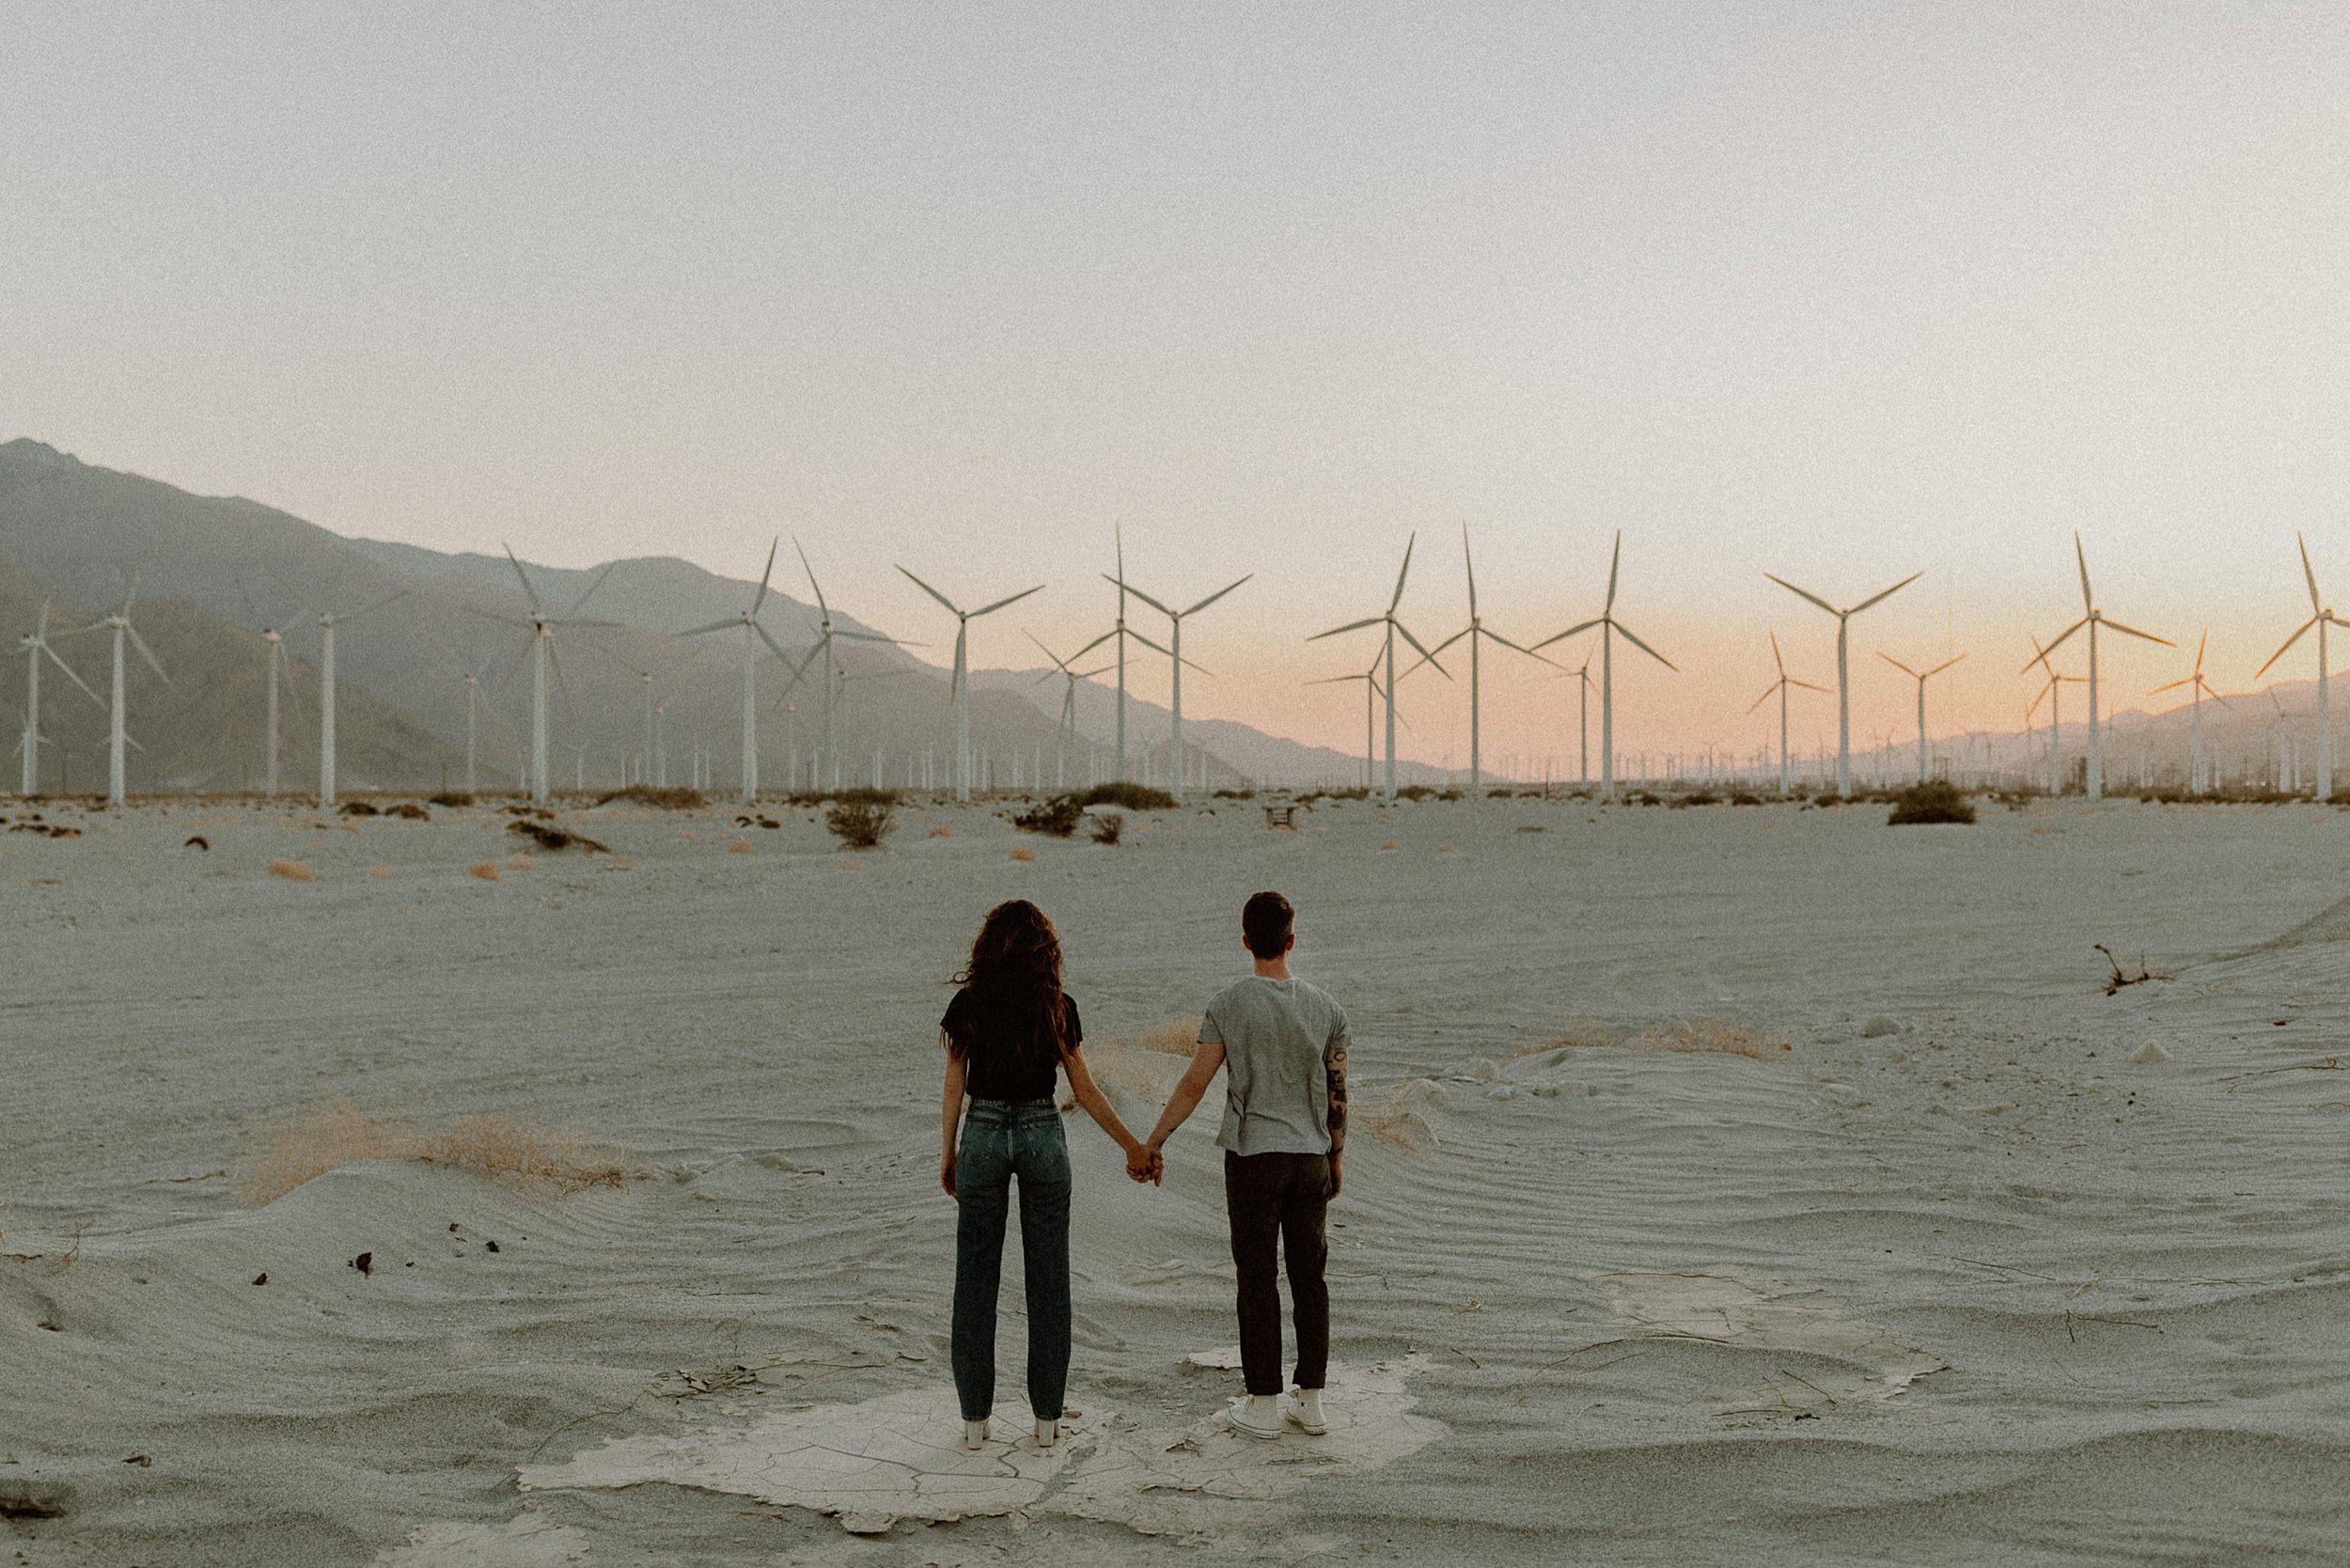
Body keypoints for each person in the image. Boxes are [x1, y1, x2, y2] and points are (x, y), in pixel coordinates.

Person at [941, 899, 1155, 1451]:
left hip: (984, 1130)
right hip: (1041, 1129)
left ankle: (973, 1424)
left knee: (975, 1281)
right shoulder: (1057, 1005)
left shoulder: (967, 1004)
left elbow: (953, 1086)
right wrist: (1133, 1145)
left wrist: (949, 1154)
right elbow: (1083, 1089)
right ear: (1045, 951)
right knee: (1048, 1281)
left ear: (987, 947)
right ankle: (1046, 1424)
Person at [1141, 890, 1349, 1440]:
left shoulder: (1227, 1005)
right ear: (1291, 940)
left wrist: (1154, 1140)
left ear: (1244, 941)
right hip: (1309, 1157)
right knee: (1311, 1277)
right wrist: (1337, 1157)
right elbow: (1337, 1095)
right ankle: (1313, 1401)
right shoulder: (1328, 1009)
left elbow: (1194, 1083)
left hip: (1254, 1157)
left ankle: (1262, 1403)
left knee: (1257, 1279)